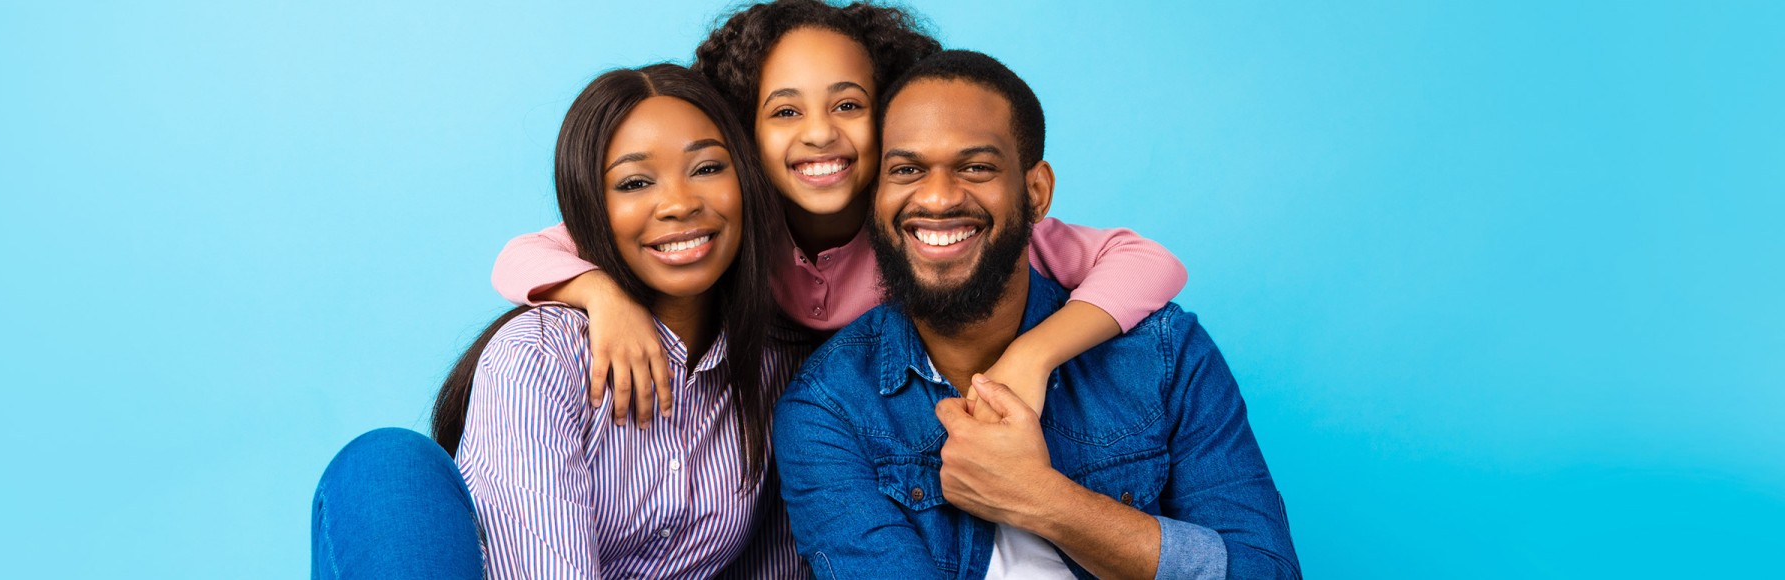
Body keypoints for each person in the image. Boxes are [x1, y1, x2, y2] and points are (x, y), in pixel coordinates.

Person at [492, 0, 1188, 428]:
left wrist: (1036, 355)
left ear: (889, 118)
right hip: (788, 434)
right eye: (785, 111)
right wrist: (602, 295)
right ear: (745, 131)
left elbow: (1148, 260)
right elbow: (521, 255)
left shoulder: (933, 222)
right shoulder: (729, 219)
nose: (820, 133)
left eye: (849, 106)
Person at [773, 50, 1299, 579]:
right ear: (876, 196)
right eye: (907, 169)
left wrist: (1043, 500)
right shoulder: (829, 409)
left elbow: (1267, 570)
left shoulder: (1165, 355)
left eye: (976, 167)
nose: (936, 197)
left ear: (1037, 191)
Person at [311, 63, 804, 579]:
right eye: (634, 182)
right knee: (385, 468)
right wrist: (601, 292)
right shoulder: (540, 358)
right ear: (589, 209)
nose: (679, 204)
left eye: (707, 168)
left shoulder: (779, 367)